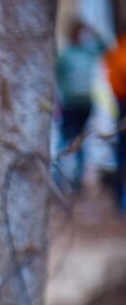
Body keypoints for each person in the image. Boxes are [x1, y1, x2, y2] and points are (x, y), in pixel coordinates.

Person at [56, 20, 104, 189]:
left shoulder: (89, 52)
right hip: (69, 104)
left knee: (82, 141)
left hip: (86, 104)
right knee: (65, 141)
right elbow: (58, 78)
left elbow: (105, 46)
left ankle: (77, 180)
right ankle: (59, 178)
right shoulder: (66, 55)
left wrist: (93, 31)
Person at [106, 30, 126, 213]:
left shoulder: (115, 53)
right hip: (122, 106)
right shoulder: (119, 54)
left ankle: (122, 199)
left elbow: (112, 81)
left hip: (120, 105)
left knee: (121, 154)